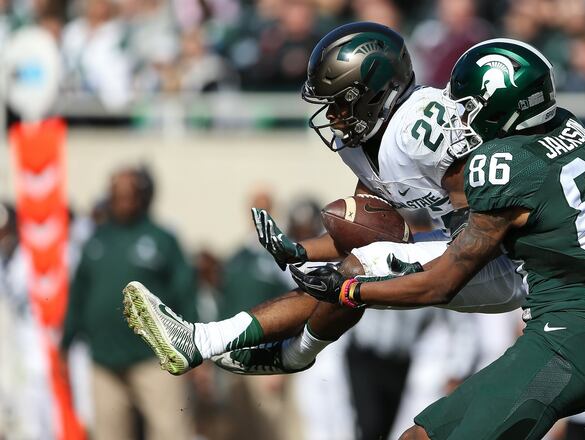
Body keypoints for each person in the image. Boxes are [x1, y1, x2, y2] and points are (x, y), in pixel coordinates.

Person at [123, 22, 525, 378]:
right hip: (469, 250)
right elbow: (364, 231)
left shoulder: (420, 126)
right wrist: (298, 250)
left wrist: (442, 247)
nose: (332, 116)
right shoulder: (363, 141)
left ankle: (270, 350)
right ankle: (209, 341)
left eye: (340, 101)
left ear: (377, 93)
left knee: (358, 270)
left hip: (509, 258)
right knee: (345, 271)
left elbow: (488, 206)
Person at [288, 39, 585, 439]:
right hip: (572, 329)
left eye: (466, 109)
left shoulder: (507, 166)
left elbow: (442, 283)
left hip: (567, 342)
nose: (457, 121)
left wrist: (352, 291)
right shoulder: (564, 126)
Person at [63, 167, 196, 440]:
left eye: (128, 194)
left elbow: (185, 292)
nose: (122, 200)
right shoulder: (96, 241)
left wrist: (195, 346)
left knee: (170, 430)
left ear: (141, 197)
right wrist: (66, 341)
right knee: (108, 432)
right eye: (116, 194)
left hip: (155, 357)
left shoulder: (162, 239)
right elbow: (78, 295)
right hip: (103, 358)